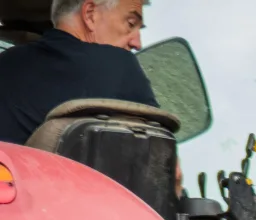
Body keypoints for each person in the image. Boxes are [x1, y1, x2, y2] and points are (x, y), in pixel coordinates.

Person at [0, 0, 155, 145]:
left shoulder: (6, 63)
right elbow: (165, 162)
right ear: (90, 14)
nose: (137, 43)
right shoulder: (121, 65)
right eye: (130, 23)